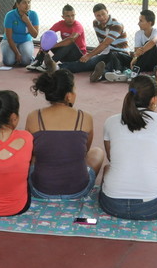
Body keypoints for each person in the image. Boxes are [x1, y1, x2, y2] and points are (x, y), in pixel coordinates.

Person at [99, 76, 157, 220]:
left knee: (108, 168)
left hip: (111, 205)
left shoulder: (110, 121)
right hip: (153, 207)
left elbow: (111, 158)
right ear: (154, 100)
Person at [25, 69, 105, 198]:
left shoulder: (34, 116)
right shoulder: (85, 117)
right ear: (68, 95)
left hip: (41, 190)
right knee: (97, 152)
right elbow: (85, 151)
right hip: (78, 190)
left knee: (35, 156)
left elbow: (30, 153)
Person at [62, 3, 130, 82]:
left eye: (103, 14)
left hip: (120, 54)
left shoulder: (117, 25)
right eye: (98, 15)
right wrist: (92, 56)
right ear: (94, 16)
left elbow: (105, 43)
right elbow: (101, 42)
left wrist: (89, 55)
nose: (101, 17)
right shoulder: (96, 23)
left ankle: (103, 74)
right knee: (86, 63)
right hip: (106, 54)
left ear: (107, 11)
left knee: (111, 59)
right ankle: (57, 67)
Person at [27, 4, 86, 72]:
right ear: (63, 17)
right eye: (68, 16)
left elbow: (71, 40)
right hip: (66, 55)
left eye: (73, 15)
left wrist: (52, 46)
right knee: (46, 39)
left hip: (78, 56)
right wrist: (43, 46)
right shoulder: (60, 23)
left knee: (70, 43)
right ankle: (37, 61)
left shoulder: (78, 25)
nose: (71, 18)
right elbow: (47, 35)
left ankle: (49, 65)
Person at [0, 0, 39, 67]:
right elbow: (9, 37)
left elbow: (35, 35)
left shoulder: (33, 15)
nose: (27, 5)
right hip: (10, 41)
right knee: (8, 62)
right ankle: (15, 54)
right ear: (18, 4)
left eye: (29, 2)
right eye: (24, 3)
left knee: (26, 62)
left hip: (25, 41)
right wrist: (17, 53)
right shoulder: (10, 15)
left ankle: (27, 55)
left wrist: (27, 21)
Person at [129, 9, 157, 74]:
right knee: (122, 56)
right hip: (145, 60)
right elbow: (137, 50)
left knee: (149, 45)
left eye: (141, 21)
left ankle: (136, 71)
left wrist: (138, 54)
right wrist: (135, 57)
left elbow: (153, 42)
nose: (138, 23)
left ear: (149, 23)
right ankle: (137, 70)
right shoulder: (138, 33)